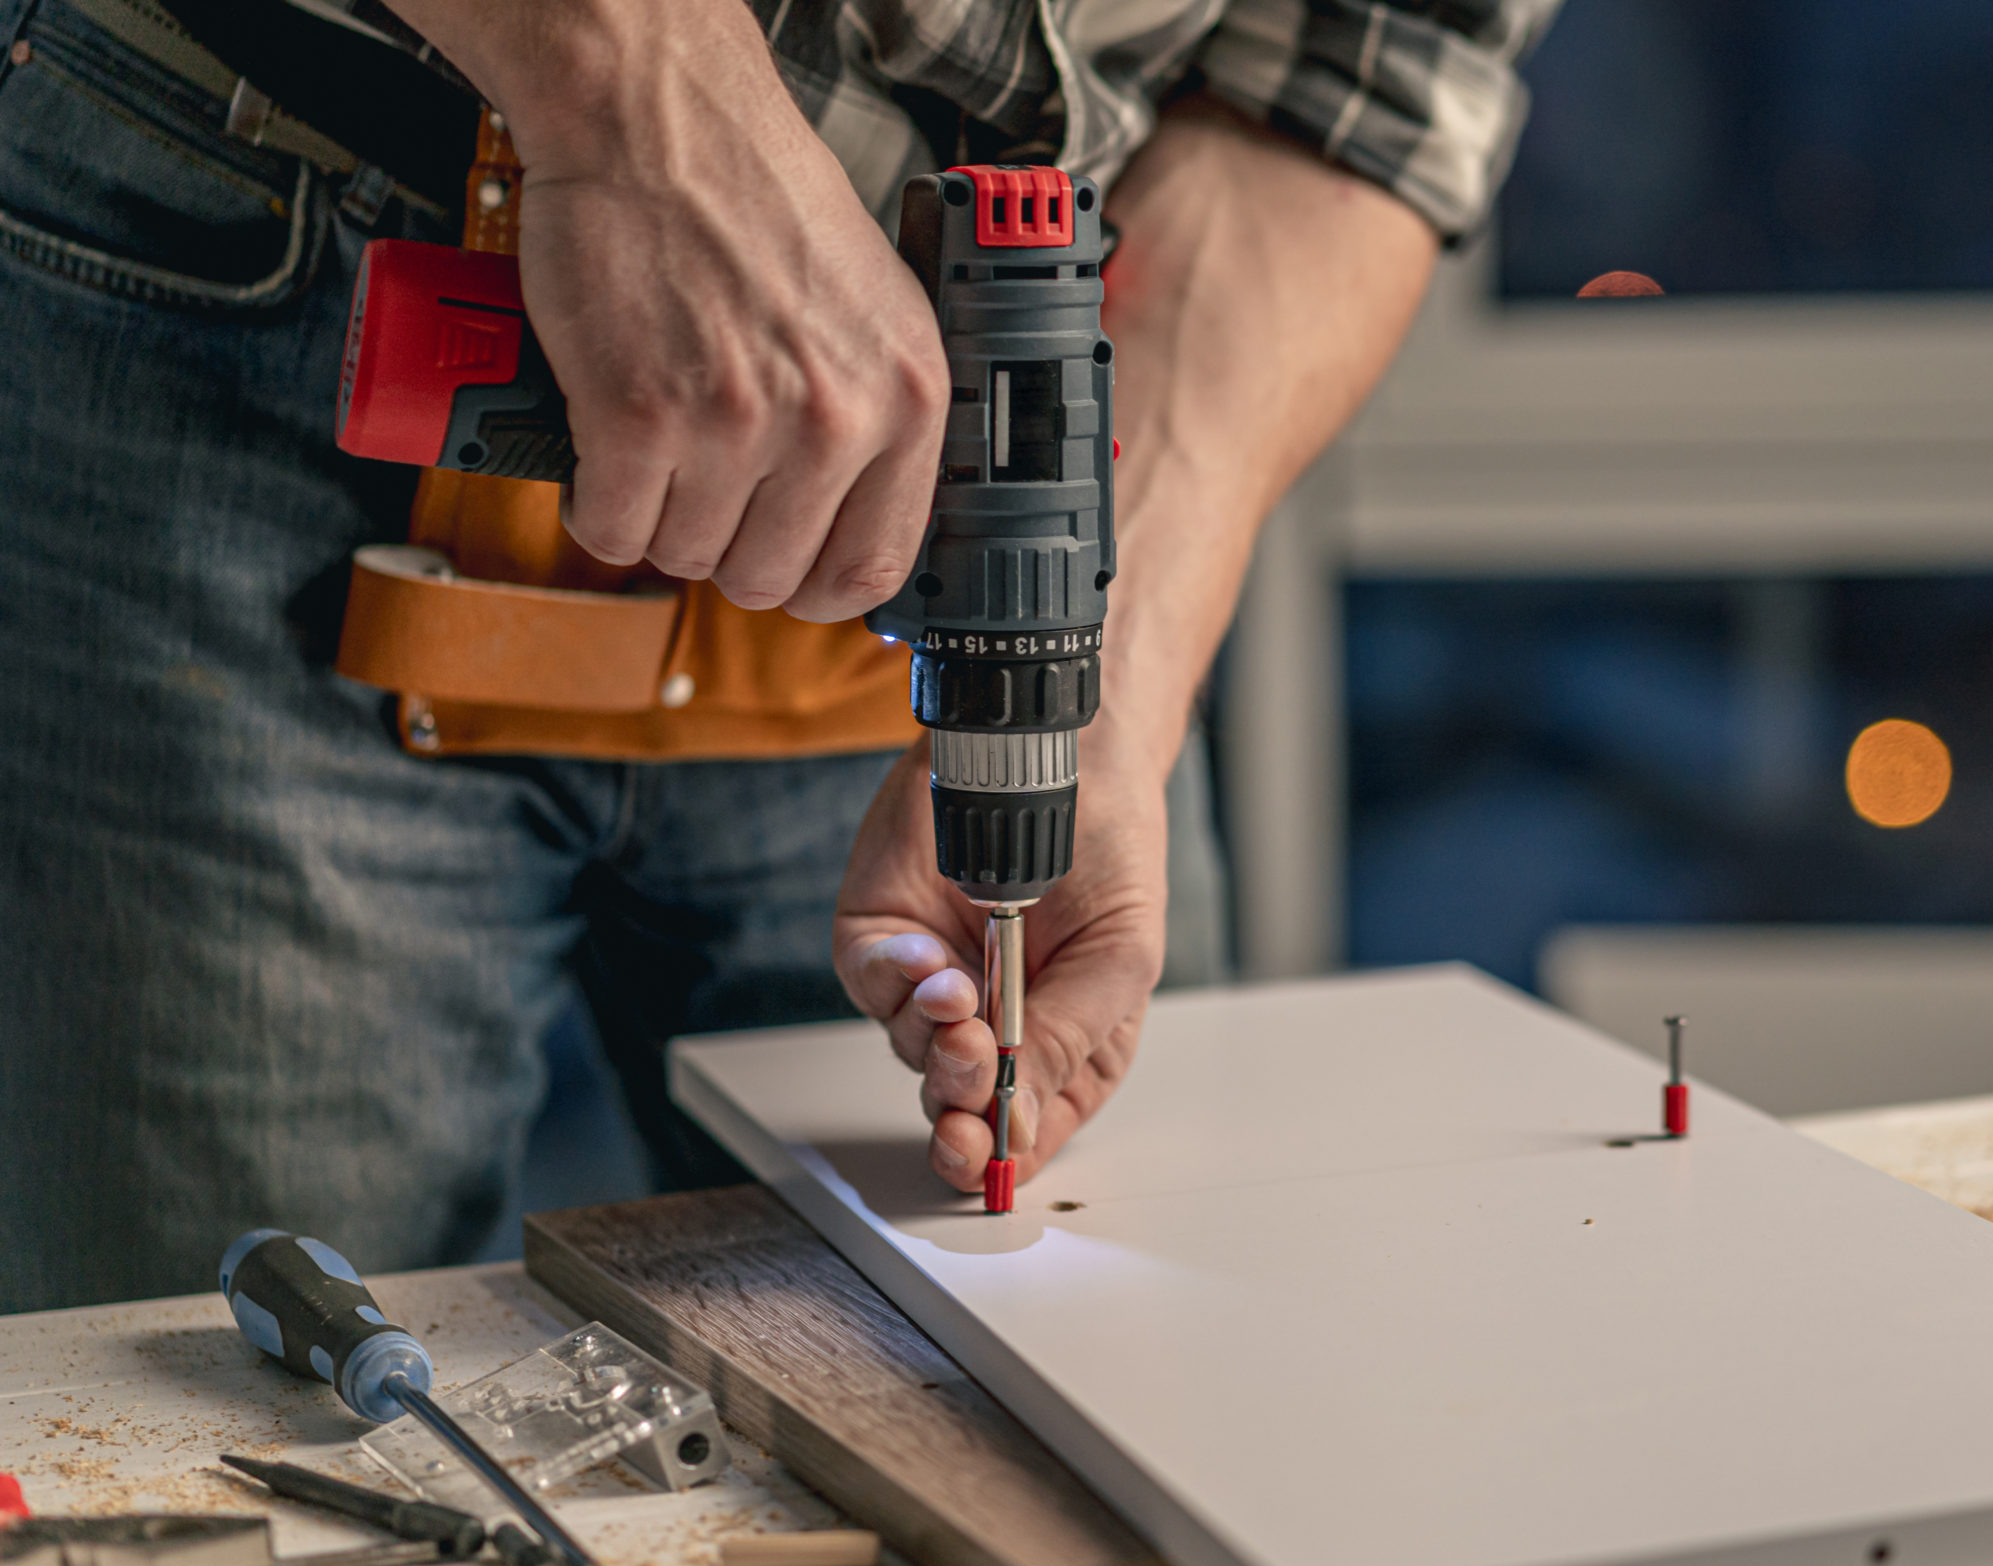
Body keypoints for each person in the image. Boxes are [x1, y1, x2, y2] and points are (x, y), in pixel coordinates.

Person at [0, 0, 1557, 1313]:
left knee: (1088, 1410)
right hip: (257, 263)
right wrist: (642, 101)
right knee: (249, 1411)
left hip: (947, 407)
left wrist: (1094, 681)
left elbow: (1368, 74)